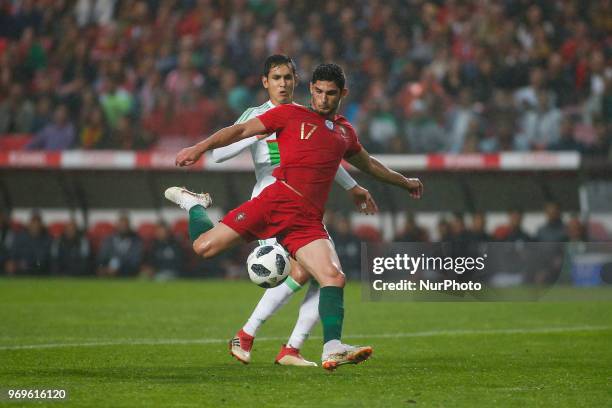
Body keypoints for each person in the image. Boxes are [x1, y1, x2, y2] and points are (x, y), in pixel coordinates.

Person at [166, 63, 423, 370]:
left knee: (333, 277)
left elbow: (370, 165)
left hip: (307, 219)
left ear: (343, 94)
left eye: (330, 93)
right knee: (203, 248)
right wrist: (201, 146)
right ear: (310, 89)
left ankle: (331, 347)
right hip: (274, 201)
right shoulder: (290, 114)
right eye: (317, 92)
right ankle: (194, 205)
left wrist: (405, 182)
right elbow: (240, 130)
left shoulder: (345, 132)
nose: (323, 99)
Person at [203, 55, 375, 367]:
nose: (283, 84)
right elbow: (218, 155)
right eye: (277, 78)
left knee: (324, 274)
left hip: (305, 205)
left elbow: (322, 158)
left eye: (288, 78)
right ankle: (254, 336)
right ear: (265, 81)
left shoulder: (303, 114)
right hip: (272, 202)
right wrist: (254, 134)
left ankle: (288, 348)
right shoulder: (259, 115)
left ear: (296, 81)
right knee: (310, 272)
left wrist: (351, 186)